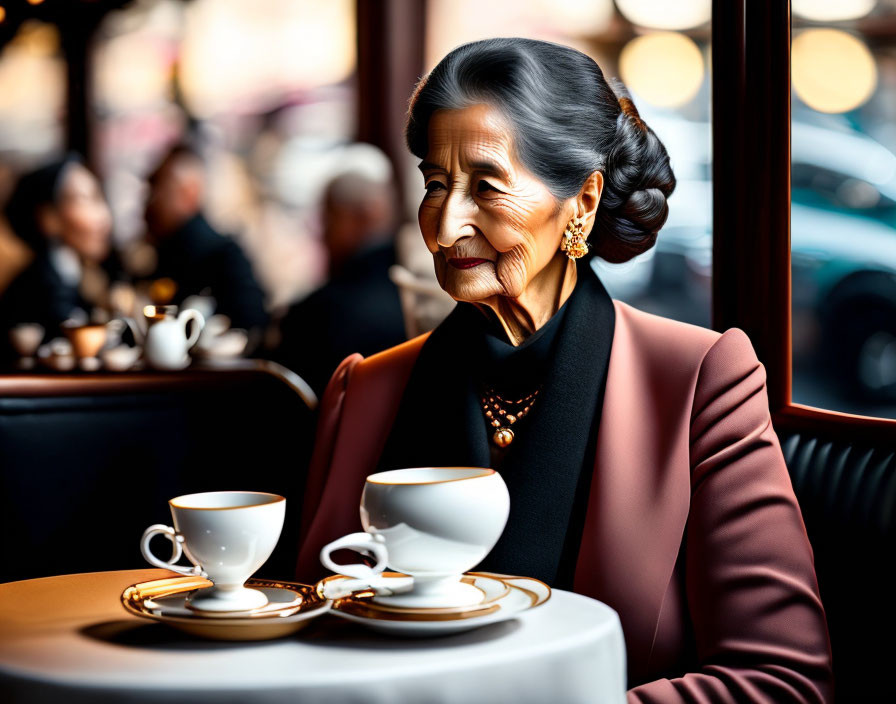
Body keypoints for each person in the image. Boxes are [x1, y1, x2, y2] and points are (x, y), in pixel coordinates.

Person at [295, 39, 834, 701]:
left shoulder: (700, 382)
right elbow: (309, 636)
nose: (444, 224)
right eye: (436, 184)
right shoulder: (364, 390)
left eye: (486, 185)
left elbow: (784, 680)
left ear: (581, 201)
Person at [273, 153, 406, 395]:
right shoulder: (421, 293)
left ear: (367, 214)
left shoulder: (318, 314)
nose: (322, 235)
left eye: (329, 219)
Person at [0, 156, 120, 362]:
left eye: (100, 198)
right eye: (87, 200)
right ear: (49, 218)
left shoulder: (79, 276)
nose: (104, 217)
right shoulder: (37, 290)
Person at [143, 144, 268, 336]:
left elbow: (251, 327)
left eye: (158, 188)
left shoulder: (222, 257)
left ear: (189, 193)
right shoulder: (165, 252)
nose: (149, 201)